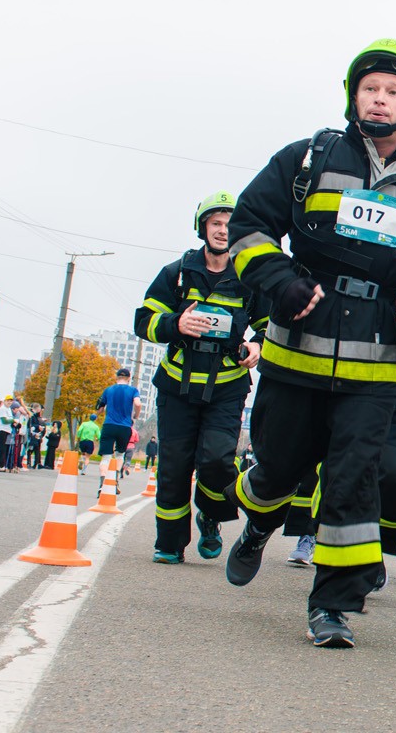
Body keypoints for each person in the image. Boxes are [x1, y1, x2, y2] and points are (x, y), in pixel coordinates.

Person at [223, 38, 396, 649]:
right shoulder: (306, 158)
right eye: (371, 89)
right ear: (352, 96)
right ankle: (259, 521)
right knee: (280, 467)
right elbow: (248, 227)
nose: (381, 100)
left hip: (378, 365)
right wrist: (279, 281)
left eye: (394, 92)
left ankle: (332, 604)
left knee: (351, 479)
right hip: (295, 350)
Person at [135, 192, 271, 564]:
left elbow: (269, 327)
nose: (223, 231)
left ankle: (210, 517)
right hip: (177, 385)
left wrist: (258, 346)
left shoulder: (249, 278)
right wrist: (175, 323)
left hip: (226, 386)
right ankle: (169, 543)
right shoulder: (177, 273)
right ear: (203, 228)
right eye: (216, 223)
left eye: (229, 224)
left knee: (216, 461)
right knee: (174, 466)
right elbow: (143, 321)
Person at [96, 369, 142, 484]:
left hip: (109, 425)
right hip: (125, 427)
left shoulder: (108, 390)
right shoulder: (133, 390)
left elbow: (100, 409)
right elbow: (137, 403)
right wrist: (136, 415)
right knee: (120, 454)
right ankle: (114, 480)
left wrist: (96, 414)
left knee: (106, 457)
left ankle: (102, 482)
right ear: (128, 378)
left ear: (117, 377)